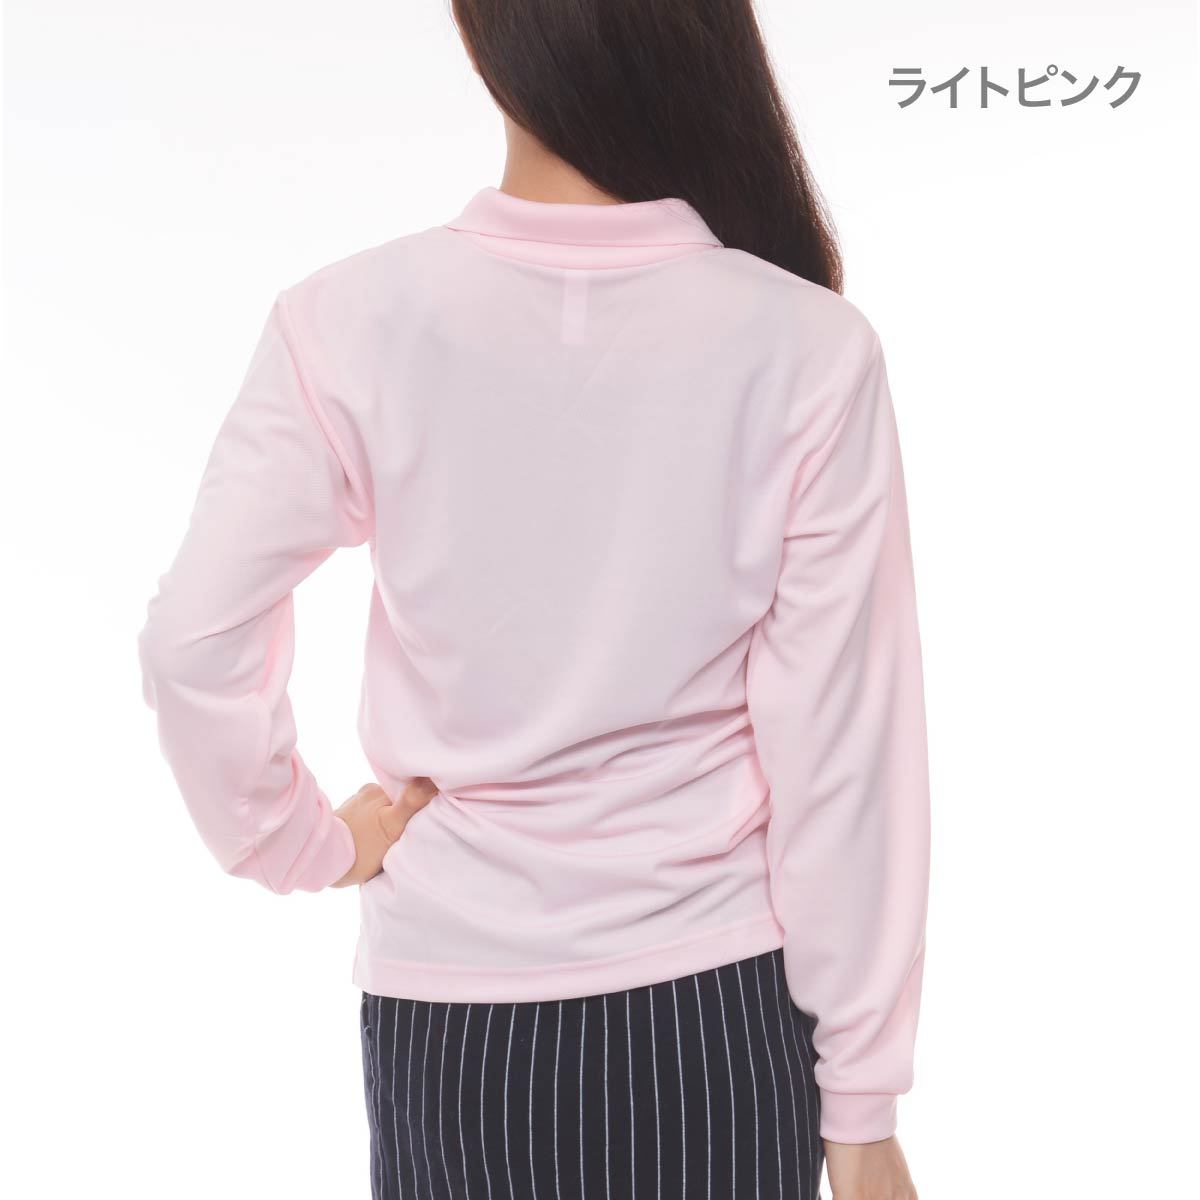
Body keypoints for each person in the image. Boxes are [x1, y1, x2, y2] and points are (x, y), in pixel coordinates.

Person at [137, 2, 930, 1197]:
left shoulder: (347, 319)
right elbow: (843, 757)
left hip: (454, 1020)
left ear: (486, 35)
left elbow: (192, 639)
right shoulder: (808, 348)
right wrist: (860, 1109)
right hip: (713, 1006)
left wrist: (298, 841)